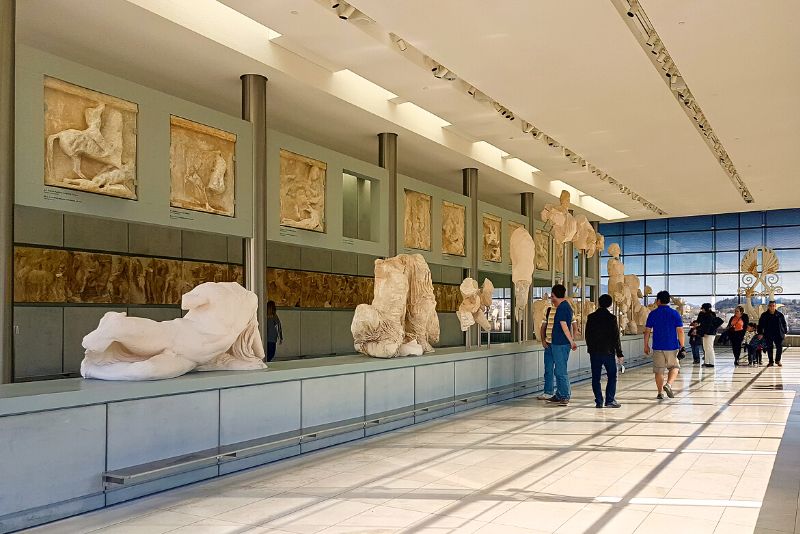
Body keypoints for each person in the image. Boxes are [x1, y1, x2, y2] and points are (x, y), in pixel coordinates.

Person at [540, 284, 577, 406]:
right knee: (557, 371)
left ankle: (565, 395)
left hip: (560, 344)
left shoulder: (562, 308)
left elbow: (565, 326)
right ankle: (560, 394)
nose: (551, 299)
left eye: (552, 296)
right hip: (557, 343)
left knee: (561, 371)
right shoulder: (564, 306)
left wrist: (571, 341)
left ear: (556, 296)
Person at [585, 294, 624, 408]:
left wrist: (590, 348)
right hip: (608, 352)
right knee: (612, 375)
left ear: (598, 302)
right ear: (610, 304)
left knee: (595, 377)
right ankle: (610, 400)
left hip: (595, 352)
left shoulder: (591, 317)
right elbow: (615, 337)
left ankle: (599, 401)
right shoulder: (612, 318)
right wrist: (619, 353)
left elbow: (588, 335)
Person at [644, 290, 684, 400]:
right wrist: (682, 345)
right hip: (672, 346)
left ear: (659, 300)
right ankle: (669, 384)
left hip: (657, 346)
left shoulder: (653, 314)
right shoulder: (674, 313)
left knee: (659, 370)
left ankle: (660, 392)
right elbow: (680, 331)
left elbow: (647, 331)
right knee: (675, 367)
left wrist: (646, 345)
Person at [758, 301, 788, 367]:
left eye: (773, 306)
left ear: (775, 306)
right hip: (768, 334)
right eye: (770, 306)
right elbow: (760, 325)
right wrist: (760, 333)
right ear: (768, 306)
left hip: (778, 334)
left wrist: (785, 332)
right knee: (769, 348)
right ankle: (771, 361)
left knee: (779, 347)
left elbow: (784, 324)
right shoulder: (764, 315)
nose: (772, 307)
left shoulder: (780, 315)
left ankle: (778, 360)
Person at [696, 303, 719, 368]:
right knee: (705, 348)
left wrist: (706, 332)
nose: (702, 309)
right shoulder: (702, 314)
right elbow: (699, 321)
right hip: (705, 333)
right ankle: (706, 362)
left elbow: (709, 325)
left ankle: (711, 362)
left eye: (703, 308)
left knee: (709, 347)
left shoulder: (711, 315)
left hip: (710, 333)